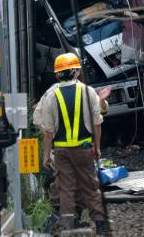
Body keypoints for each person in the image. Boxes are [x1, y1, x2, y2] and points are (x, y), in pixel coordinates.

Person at [41, 52, 108, 235]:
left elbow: (48, 131)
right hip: (85, 149)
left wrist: (47, 155)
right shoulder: (88, 92)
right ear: (77, 71)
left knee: (66, 188)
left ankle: (69, 226)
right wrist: (97, 146)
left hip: (62, 151)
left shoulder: (51, 96)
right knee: (91, 186)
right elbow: (97, 122)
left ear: (57, 75)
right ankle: (100, 225)